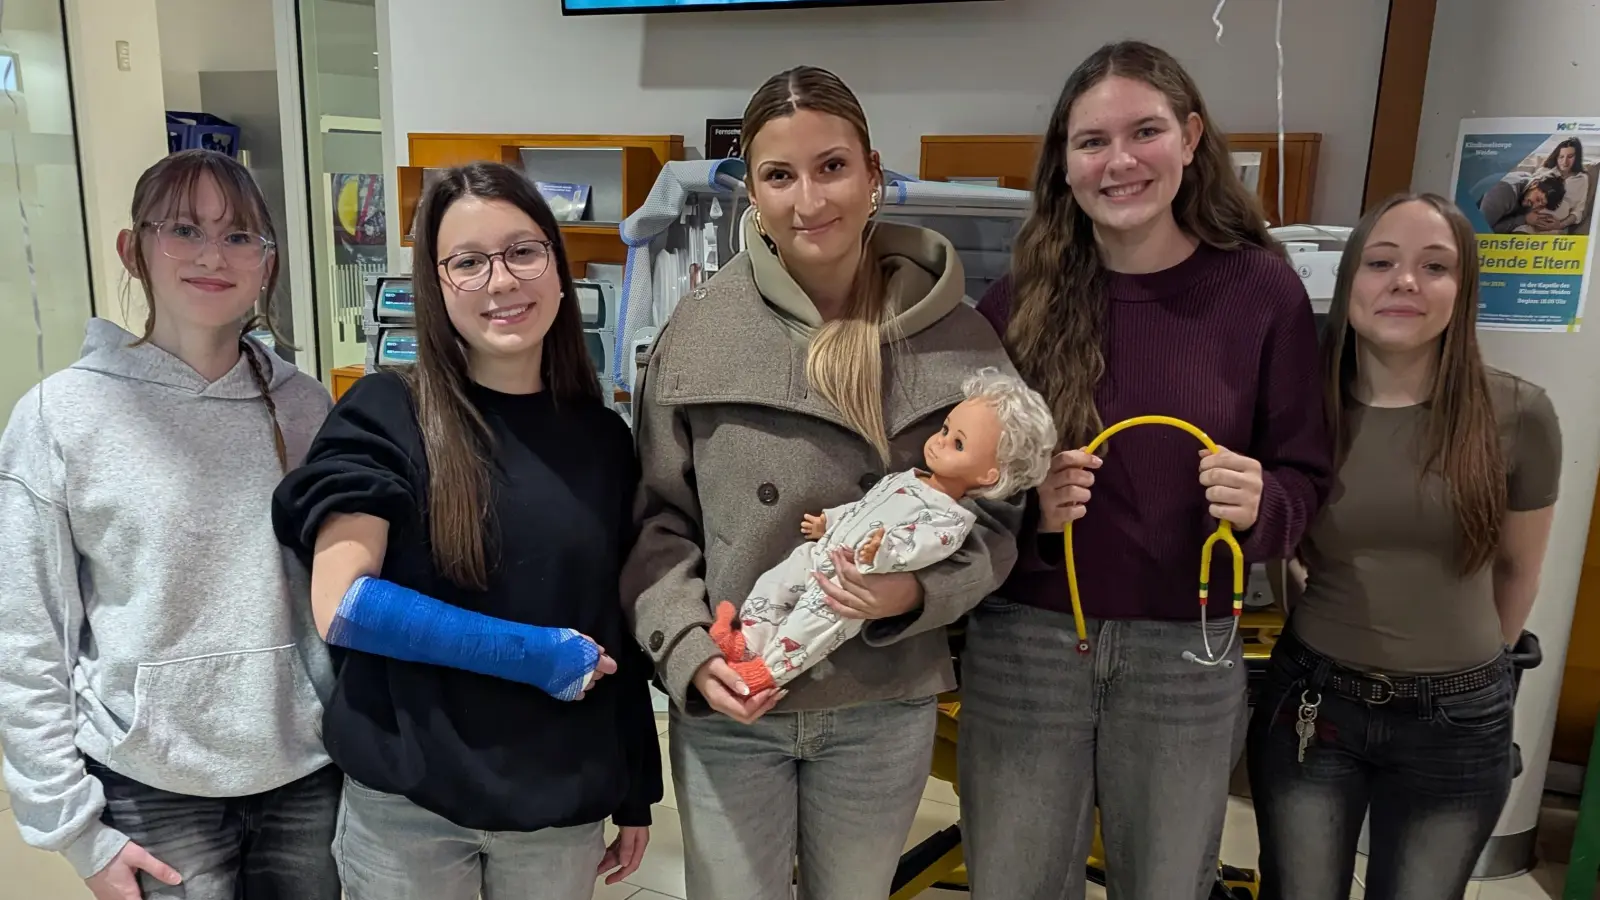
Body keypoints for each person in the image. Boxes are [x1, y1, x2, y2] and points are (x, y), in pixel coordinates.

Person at [621, 65, 1024, 900]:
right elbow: (658, 523)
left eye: (831, 166)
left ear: (873, 173)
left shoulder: (957, 335)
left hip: (881, 698)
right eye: (780, 175)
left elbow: (998, 519)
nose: (809, 200)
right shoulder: (698, 333)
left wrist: (913, 592)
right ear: (752, 193)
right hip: (734, 697)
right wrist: (688, 651)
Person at [961, 40, 1333, 900]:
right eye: (1092, 141)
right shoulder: (1018, 299)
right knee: (1014, 883)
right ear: (1064, 162)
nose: (1119, 161)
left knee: (1168, 882)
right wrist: (1028, 506)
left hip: (1186, 650)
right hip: (1028, 644)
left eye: (1145, 132)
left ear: (1191, 137)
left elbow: (1306, 478)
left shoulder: (1261, 292)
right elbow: (961, 483)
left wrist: (1263, 502)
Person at [271, 161, 659, 900]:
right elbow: (346, 606)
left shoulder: (604, 439)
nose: (501, 281)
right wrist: (531, 654)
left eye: (523, 252)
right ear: (437, 284)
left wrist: (636, 786)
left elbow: (617, 620)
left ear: (558, 267)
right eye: (469, 262)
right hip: (410, 808)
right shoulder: (384, 412)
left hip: (559, 803)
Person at [0, 149, 340, 900]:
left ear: (267, 261)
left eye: (239, 235)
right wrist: (74, 829)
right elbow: (26, 634)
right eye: (184, 229)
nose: (212, 256)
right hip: (150, 781)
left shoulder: (307, 408)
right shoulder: (61, 414)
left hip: (308, 773)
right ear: (134, 249)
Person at [1247, 193, 1561, 900]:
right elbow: (1281, 545)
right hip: (1315, 701)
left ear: (1463, 288)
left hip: (1458, 719)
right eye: (1381, 262)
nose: (1406, 281)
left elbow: (1518, 570)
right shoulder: (1299, 408)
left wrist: (1462, 678)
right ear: (1349, 281)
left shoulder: (1520, 413)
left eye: (1435, 266)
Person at [709, 367, 1055, 693]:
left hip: (854, 581)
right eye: (945, 429)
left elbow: (917, 547)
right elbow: (865, 507)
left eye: (958, 444)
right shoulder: (908, 478)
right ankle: (746, 640)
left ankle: (765, 674)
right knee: (775, 582)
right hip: (825, 551)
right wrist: (830, 520)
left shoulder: (950, 518)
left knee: (807, 629)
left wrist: (882, 552)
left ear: (988, 476)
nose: (940, 441)